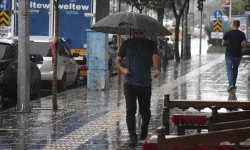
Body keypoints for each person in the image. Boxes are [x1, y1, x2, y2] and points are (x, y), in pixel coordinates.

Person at [116, 29, 159, 146]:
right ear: (134, 32)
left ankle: (144, 130)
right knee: (130, 110)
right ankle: (133, 137)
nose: (139, 35)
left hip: (145, 83)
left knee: (145, 111)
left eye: (141, 33)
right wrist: (123, 70)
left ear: (144, 32)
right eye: (137, 33)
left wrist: (155, 69)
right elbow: (118, 60)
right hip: (129, 83)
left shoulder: (151, 44)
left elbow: (155, 56)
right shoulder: (126, 44)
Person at [222, 20, 246, 91]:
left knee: (229, 69)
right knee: (235, 69)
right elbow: (244, 45)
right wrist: (241, 44)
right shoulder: (241, 34)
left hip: (229, 54)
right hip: (238, 54)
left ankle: (231, 84)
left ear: (232, 25)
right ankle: (233, 84)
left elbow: (223, 43)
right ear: (238, 25)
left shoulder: (227, 33)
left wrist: (227, 44)